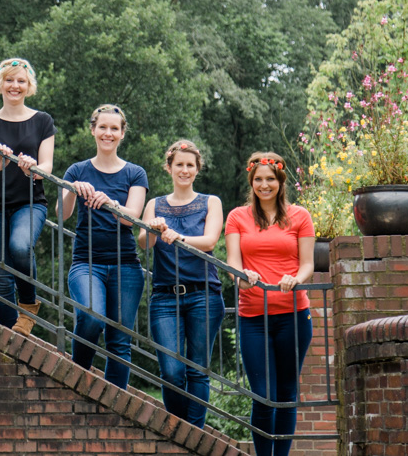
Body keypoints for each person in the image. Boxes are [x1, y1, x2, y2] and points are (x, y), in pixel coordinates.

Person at [225, 151, 315, 456]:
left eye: (270, 179)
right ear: (252, 182)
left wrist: (295, 278)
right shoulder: (237, 216)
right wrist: (243, 275)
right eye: (259, 179)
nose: (264, 185)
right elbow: (233, 266)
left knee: (287, 394)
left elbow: (307, 265)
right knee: (263, 395)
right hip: (253, 318)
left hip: (294, 315)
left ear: (280, 181)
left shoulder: (300, 216)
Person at [60, 104, 147, 389]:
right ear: (93, 130)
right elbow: (62, 214)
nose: (107, 133)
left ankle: (115, 405)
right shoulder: (76, 170)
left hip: (127, 267)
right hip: (86, 263)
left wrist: (110, 203)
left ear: (122, 134)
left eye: (114, 128)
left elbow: (131, 219)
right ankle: (78, 381)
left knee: (119, 341)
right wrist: (74, 189)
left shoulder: (135, 173)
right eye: (102, 127)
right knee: (91, 316)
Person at [139, 140, 224, 428]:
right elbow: (144, 243)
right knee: (172, 372)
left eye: (190, 165)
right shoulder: (155, 204)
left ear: (197, 169)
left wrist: (177, 236)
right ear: (169, 168)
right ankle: (179, 431)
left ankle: (194, 436)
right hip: (165, 297)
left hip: (204, 296)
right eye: (179, 165)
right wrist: (153, 228)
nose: (184, 170)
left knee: (198, 371)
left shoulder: (210, 202)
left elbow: (211, 241)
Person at [0, 58, 55, 336]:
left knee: (20, 247)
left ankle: (29, 305)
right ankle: (9, 335)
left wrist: (33, 167)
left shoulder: (43, 121)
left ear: (29, 85)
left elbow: (47, 167)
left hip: (29, 203)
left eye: (21, 80)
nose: (15, 86)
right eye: (9, 80)